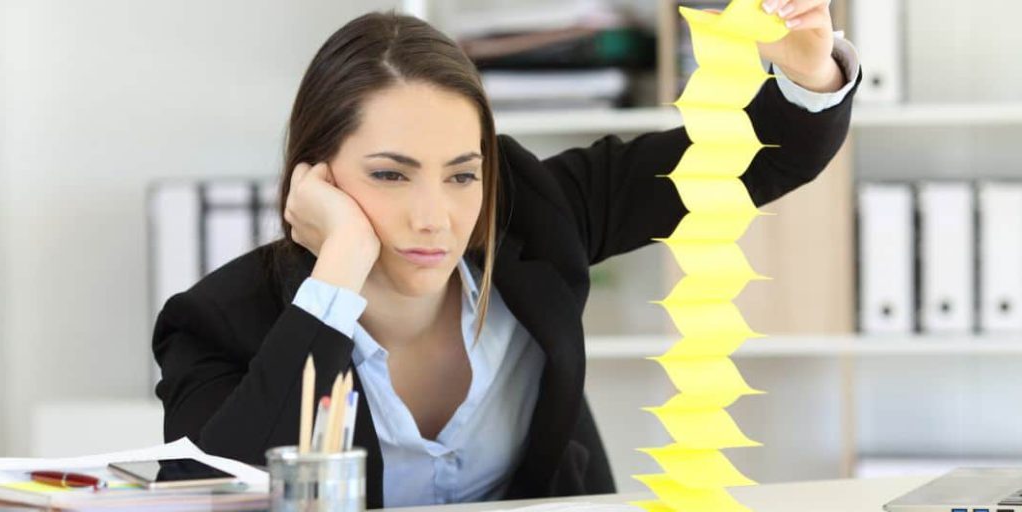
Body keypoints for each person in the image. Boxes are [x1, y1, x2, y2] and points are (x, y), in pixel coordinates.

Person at [153, 1, 862, 508]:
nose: (434, 217)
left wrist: (810, 69)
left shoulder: (537, 214)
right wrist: (337, 270)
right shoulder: (218, 321)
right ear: (317, 177)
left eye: (462, 175)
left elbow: (759, 157)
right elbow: (207, 496)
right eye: (391, 175)